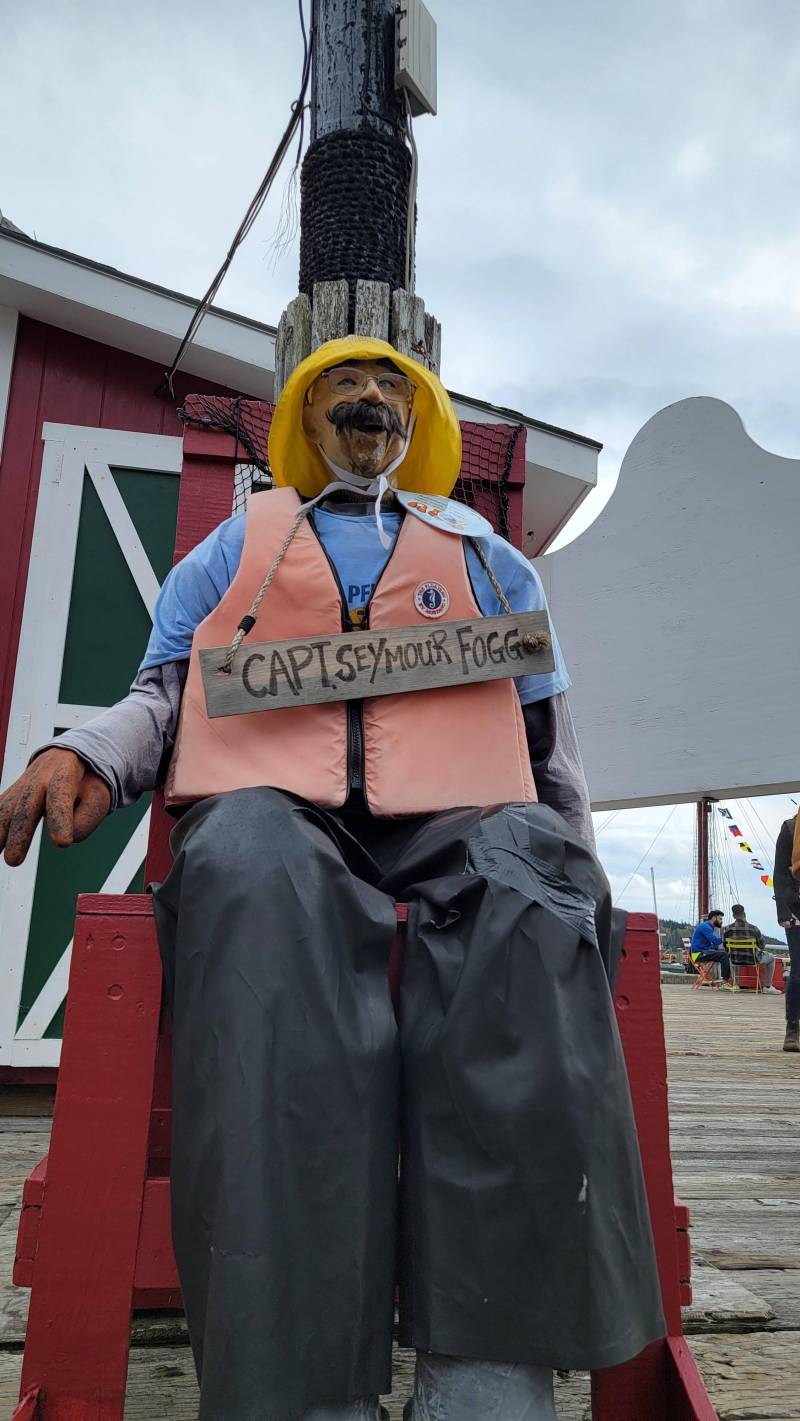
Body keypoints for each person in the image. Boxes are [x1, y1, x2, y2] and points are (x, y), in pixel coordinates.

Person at [0, 337, 665, 1421]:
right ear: (305, 420)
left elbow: (546, 734)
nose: (365, 399)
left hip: (461, 811)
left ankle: (488, 1364)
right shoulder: (234, 549)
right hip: (278, 809)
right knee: (252, 886)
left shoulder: (487, 556)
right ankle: (298, 1388)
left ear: (419, 421)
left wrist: (574, 859)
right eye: (340, 386)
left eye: (387, 385)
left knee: (533, 894)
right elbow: (160, 695)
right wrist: (86, 753)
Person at [774, 814, 800, 1052]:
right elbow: (780, 873)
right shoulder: (791, 828)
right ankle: (792, 1028)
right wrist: (784, 912)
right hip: (797, 910)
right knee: (799, 970)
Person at [723, 904, 781, 994]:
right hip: (752, 960)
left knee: (733, 955)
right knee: (771, 958)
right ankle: (767, 986)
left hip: (735, 960)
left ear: (733, 916)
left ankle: (736, 984)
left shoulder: (727, 929)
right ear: (744, 914)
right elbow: (762, 946)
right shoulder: (754, 928)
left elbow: (726, 947)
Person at [690, 910, 737, 990]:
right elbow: (715, 940)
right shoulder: (706, 927)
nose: (721, 922)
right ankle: (726, 981)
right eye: (720, 919)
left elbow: (713, 944)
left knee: (724, 954)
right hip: (698, 954)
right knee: (724, 955)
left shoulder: (707, 926)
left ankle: (726, 979)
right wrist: (726, 937)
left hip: (701, 952)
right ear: (714, 918)